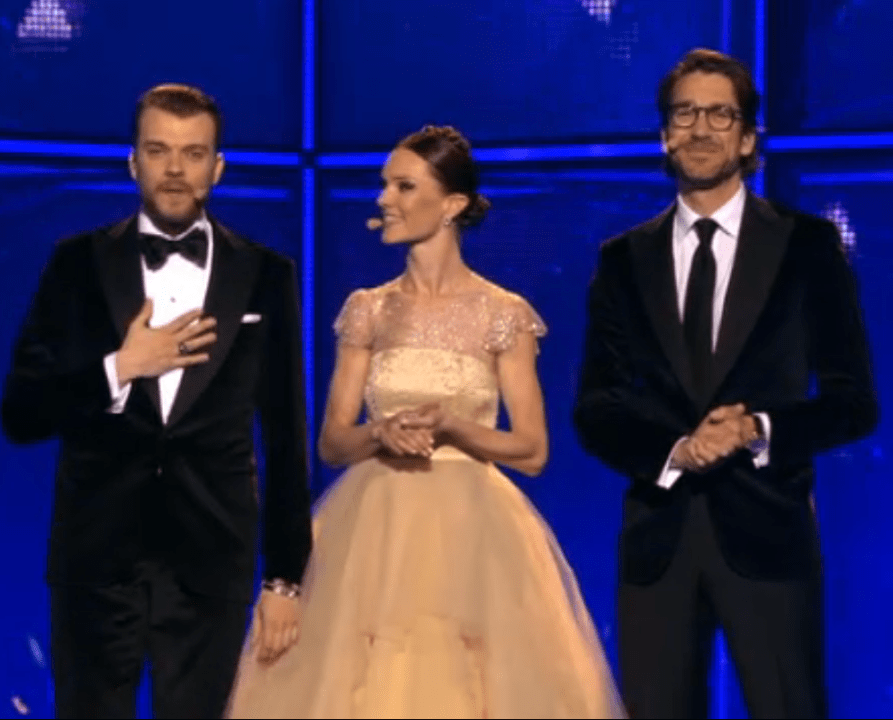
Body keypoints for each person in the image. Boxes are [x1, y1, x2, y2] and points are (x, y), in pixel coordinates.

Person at [226, 125, 624, 718]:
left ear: (452, 204)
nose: (384, 198)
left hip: (473, 530)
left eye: (404, 187)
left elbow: (532, 449)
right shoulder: (368, 309)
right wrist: (379, 432)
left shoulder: (503, 314)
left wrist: (453, 428)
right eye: (385, 185)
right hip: (375, 527)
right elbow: (333, 441)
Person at [573, 48, 879, 719]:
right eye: (684, 114)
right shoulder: (623, 259)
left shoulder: (806, 246)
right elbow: (595, 405)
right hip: (659, 541)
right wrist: (677, 450)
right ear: (664, 134)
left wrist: (755, 430)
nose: (700, 129)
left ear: (746, 138)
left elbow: (853, 402)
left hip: (768, 534)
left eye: (719, 115)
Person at [1, 84, 313, 719]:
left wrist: (285, 577)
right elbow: (22, 412)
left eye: (193, 153)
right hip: (94, 558)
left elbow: (285, 434)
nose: (175, 169)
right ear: (133, 162)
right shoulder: (75, 264)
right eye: (158, 150)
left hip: (211, 559)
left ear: (217, 167)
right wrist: (121, 368)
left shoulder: (265, 274)